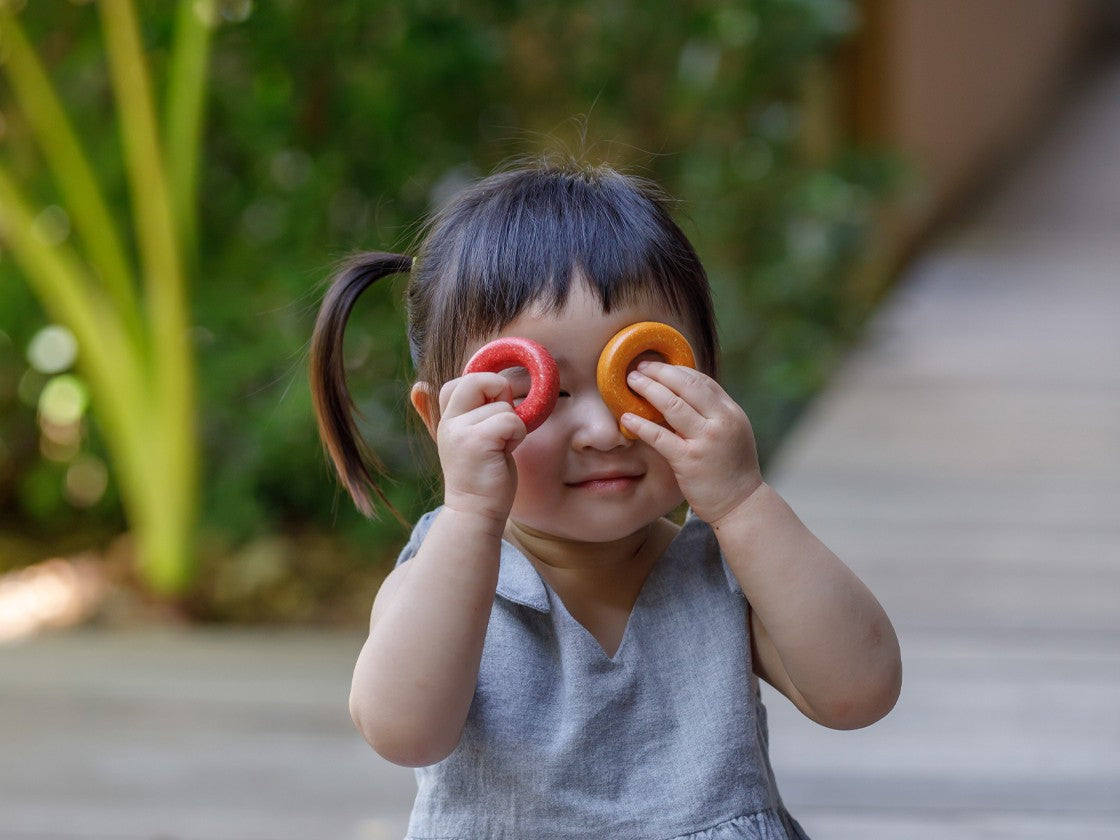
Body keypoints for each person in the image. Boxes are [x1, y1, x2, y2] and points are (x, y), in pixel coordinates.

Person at [310, 160, 901, 839]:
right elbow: (402, 731)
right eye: (541, 392)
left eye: (641, 376)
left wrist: (742, 502)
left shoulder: (729, 570)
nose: (602, 430)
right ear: (443, 421)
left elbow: (860, 691)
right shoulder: (441, 581)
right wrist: (470, 512)